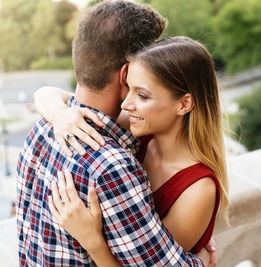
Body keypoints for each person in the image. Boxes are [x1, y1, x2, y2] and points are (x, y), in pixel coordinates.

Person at [17, 1, 212, 266]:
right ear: (126, 74)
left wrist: (58, 112)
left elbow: (46, 93)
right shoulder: (112, 167)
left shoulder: (40, 130)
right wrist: (199, 258)